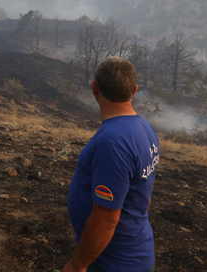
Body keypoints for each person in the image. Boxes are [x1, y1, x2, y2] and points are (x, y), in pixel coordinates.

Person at [63, 57, 159, 272]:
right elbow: (145, 193)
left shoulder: (112, 142)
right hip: (133, 251)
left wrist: (76, 265)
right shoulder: (145, 128)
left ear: (94, 88)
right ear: (134, 90)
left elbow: (106, 219)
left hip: (114, 262)